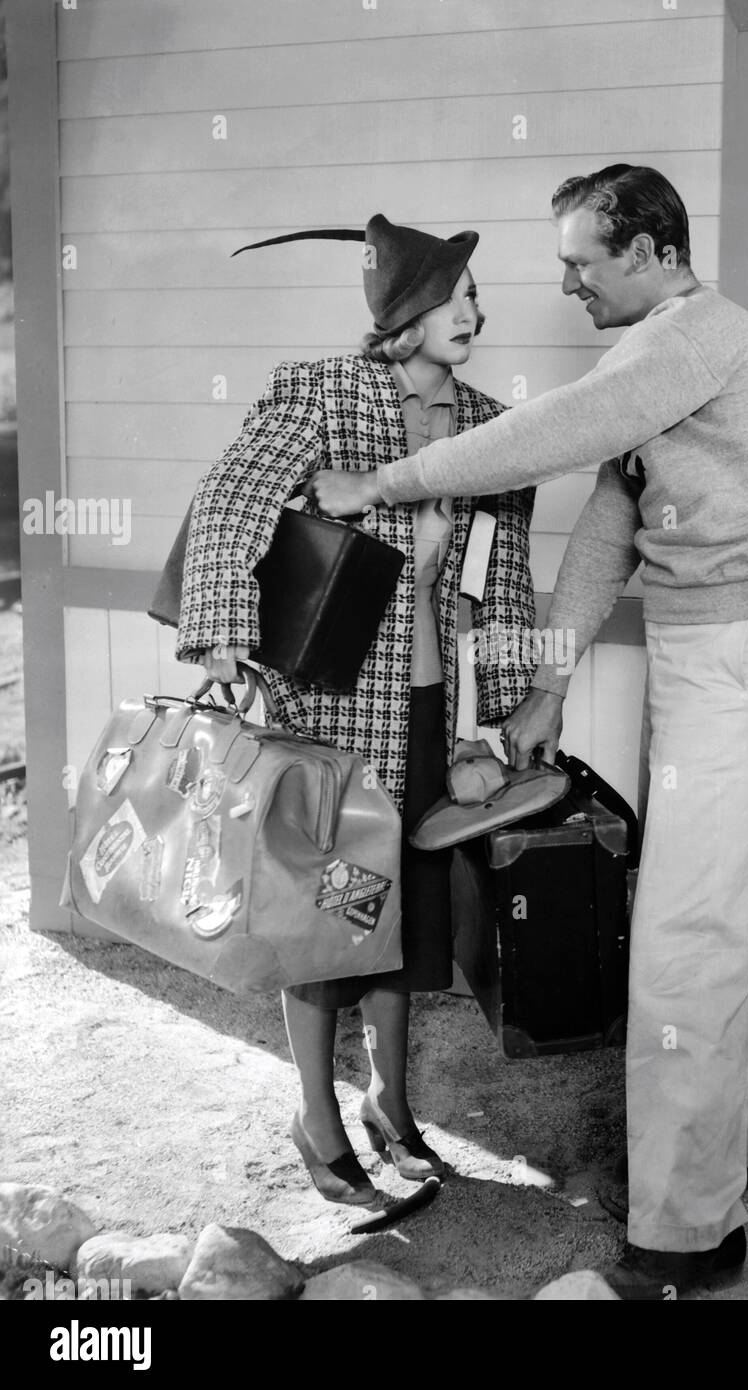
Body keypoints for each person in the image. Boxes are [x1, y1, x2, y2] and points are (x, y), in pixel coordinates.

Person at [311, 165, 748, 1293]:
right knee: (715, 920)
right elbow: (608, 524)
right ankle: (746, 1147)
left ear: (647, 251)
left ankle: (687, 1240)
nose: (565, 284)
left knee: (680, 938)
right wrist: (545, 690)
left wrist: (379, 486)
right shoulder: (662, 360)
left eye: (580, 263)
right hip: (712, 658)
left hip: (740, 660)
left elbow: (541, 436)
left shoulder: (687, 339)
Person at [176, 215, 537, 1206]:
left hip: (424, 705)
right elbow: (232, 495)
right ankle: (316, 1116)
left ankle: (389, 1099)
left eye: (473, 292)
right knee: (324, 914)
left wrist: (491, 724)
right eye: (456, 293)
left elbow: (500, 582)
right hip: (324, 708)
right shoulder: (325, 393)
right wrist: (217, 628)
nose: (476, 310)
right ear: (405, 312)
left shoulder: (488, 422)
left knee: (403, 911)